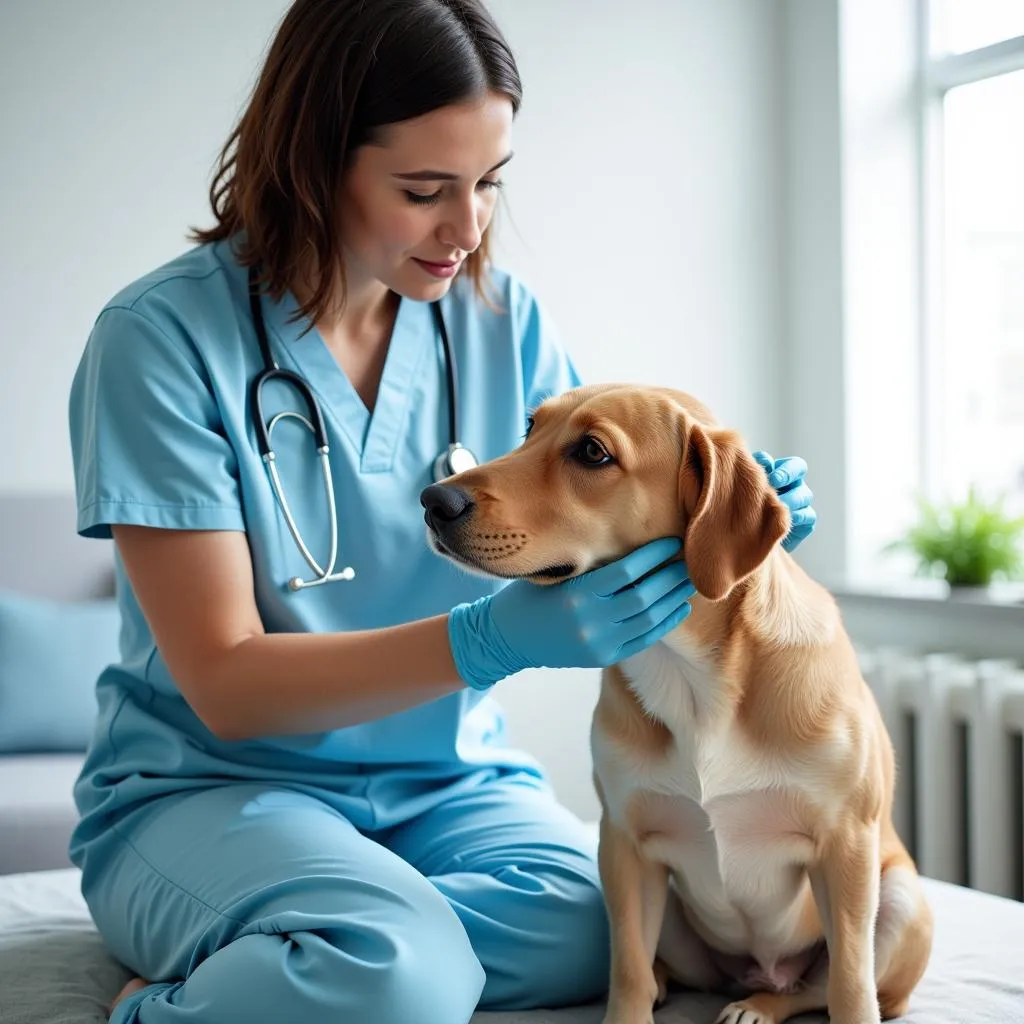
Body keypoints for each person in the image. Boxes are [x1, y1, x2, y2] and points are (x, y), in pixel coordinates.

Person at [67, 2, 818, 1022]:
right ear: (312, 162)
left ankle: (323, 946)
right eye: (424, 191)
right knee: (397, 971)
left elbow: (606, 511)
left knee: (630, 926)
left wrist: (729, 510)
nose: (466, 230)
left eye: (485, 184)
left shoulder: (504, 325)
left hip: (447, 788)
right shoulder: (160, 342)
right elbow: (226, 684)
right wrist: (488, 638)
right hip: (211, 790)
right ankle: (189, 998)